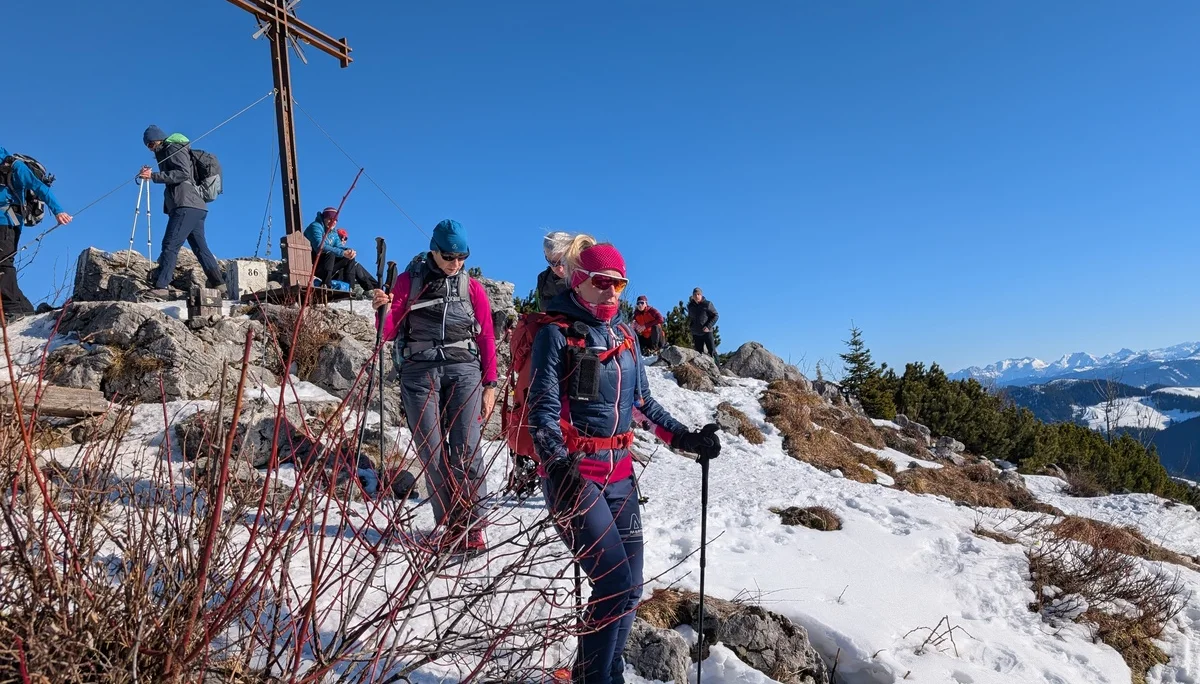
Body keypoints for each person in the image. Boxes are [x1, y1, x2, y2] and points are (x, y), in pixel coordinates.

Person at [528, 235, 721, 684]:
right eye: (602, 282)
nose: (613, 291)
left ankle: (601, 673)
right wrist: (558, 467)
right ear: (579, 281)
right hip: (575, 476)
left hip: (620, 474)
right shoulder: (556, 335)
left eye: (619, 283)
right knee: (613, 584)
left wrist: (687, 438)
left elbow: (643, 406)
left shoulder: (627, 336)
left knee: (629, 589)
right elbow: (542, 414)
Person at [372, 219, 497, 552]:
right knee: (431, 450)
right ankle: (450, 522)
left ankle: (471, 525)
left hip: (463, 370)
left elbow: (485, 335)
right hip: (419, 370)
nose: (455, 263)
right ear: (434, 250)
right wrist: (382, 310)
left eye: (461, 257)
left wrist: (491, 383)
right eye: (448, 256)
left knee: (466, 447)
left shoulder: (472, 288)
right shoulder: (408, 282)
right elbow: (387, 332)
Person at [139, 125, 224, 297]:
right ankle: (220, 285)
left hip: (186, 205)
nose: (150, 148)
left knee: (170, 244)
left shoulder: (173, 148)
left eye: (150, 144)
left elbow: (182, 173)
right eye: (148, 146)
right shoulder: (168, 150)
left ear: (157, 139)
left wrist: (153, 176)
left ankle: (162, 286)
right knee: (200, 248)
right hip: (195, 206)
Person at [0, 147, 72, 320]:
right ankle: (25, 310)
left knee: (3, 264)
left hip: (7, 222)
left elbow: (40, 188)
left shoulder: (13, 166)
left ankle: (12, 310)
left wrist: (58, 211)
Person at [303, 207, 380, 294]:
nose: (333, 222)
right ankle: (325, 284)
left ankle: (350, 287)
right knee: (330, 254)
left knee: (349, 258)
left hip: (326, 265)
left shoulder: (333, 232)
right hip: (313, 264)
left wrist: (349, 251)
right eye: (330, 219)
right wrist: (342, 252)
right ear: (324, 218)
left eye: (335, 220)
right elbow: (319, 246)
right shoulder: (316, 227)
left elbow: (339, 246)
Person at [535, 230, 572, 311]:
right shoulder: (543, 279)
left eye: (564, 261)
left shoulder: (587, 278)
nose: (560, 269)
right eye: (553, 263)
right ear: (545, 255)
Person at [686, 287, 719, 358]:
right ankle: (700, 368)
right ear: (692, 296)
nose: (697, 296)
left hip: (707, 332)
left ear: (701, 295)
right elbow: (690, 318)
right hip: (696, 333)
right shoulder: (690, 306)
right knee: (698, 353)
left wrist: (708, 326)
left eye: (698, 294)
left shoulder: (707, 304)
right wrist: (690, 326)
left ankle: (718, 368)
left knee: (712, 351)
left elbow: (715, 316)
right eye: (695, 294)